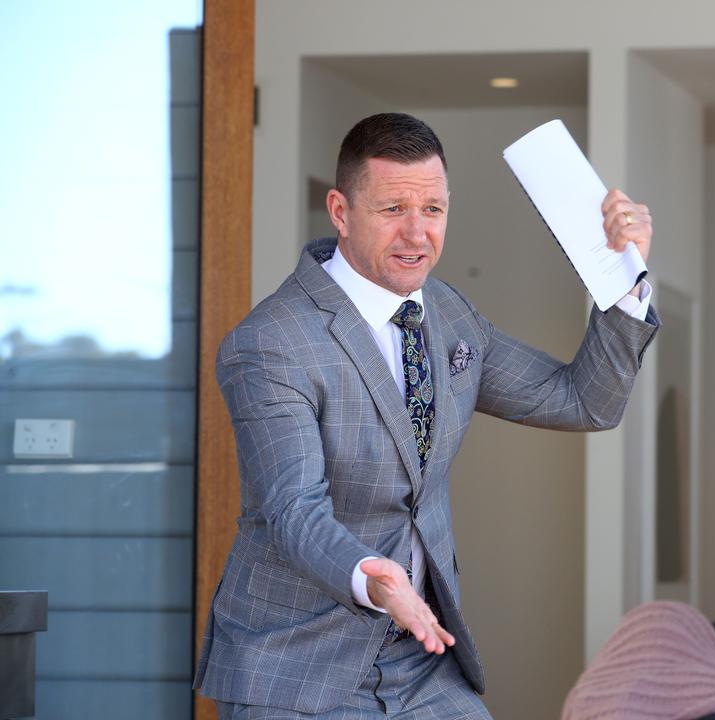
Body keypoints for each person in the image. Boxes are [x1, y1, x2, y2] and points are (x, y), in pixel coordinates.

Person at [194, 112, 659, 718]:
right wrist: (378, 581)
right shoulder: (272, 343)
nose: (417, 234)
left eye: (433, 210)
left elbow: (583, 402)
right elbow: (291, 510)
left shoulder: (447, 314)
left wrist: (625, 280)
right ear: (340, 211)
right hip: (299, 669)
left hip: (421, 664)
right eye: (393, 210)